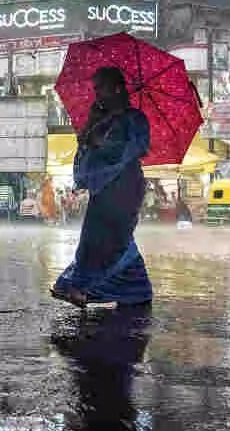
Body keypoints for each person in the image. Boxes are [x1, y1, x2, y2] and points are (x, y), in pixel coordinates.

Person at [51, 67, 153, 308]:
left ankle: (83, 287)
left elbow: (138, 147)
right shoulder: (101, 120)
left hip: (125, 185)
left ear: (117, 88)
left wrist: (104, 144)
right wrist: (91, 129)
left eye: (101, 87)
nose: (97, 94)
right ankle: (137, 288)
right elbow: (86, 149)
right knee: (101, 237)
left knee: (109, 237)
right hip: (103, 187)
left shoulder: (135, 119)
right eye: (95, 88)